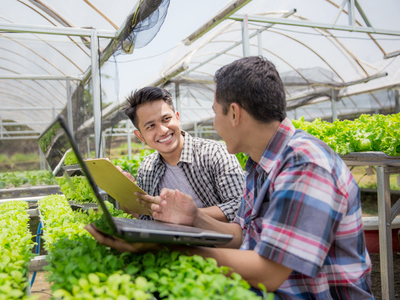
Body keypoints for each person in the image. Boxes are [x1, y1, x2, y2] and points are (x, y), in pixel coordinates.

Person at [85, 56, 373, 299]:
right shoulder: (260, 165)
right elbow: (242, 235)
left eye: (215, 113)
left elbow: (269, 272)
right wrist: (194, 217)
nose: (214, 124)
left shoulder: (305, 164)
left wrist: (166, 247)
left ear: (234, 113)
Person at [117, 86, 245, 222]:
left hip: (216, 242)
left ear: (177, 118)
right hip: (168, 243)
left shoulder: (214, 153)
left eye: (166, 119)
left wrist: (187, 214)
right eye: (150, 126)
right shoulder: (147, 168)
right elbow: (145, 219)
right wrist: (126, 194)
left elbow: (240, 205)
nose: (163, 130)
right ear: (140, 136)